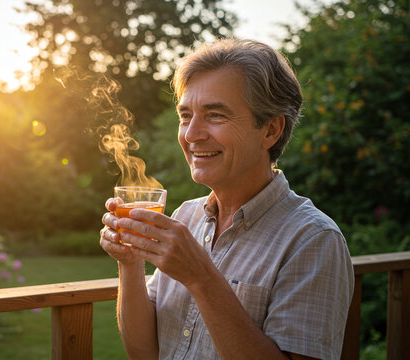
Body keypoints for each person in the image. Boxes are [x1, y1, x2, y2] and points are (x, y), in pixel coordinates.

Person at [99, 39, 354, 360]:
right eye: (185, 115)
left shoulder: (313, 240)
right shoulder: (184, 217)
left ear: (271, 130)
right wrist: (130, 262)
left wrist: (201, 278)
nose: (191, 134)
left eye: (215, 115)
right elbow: (144, 352)